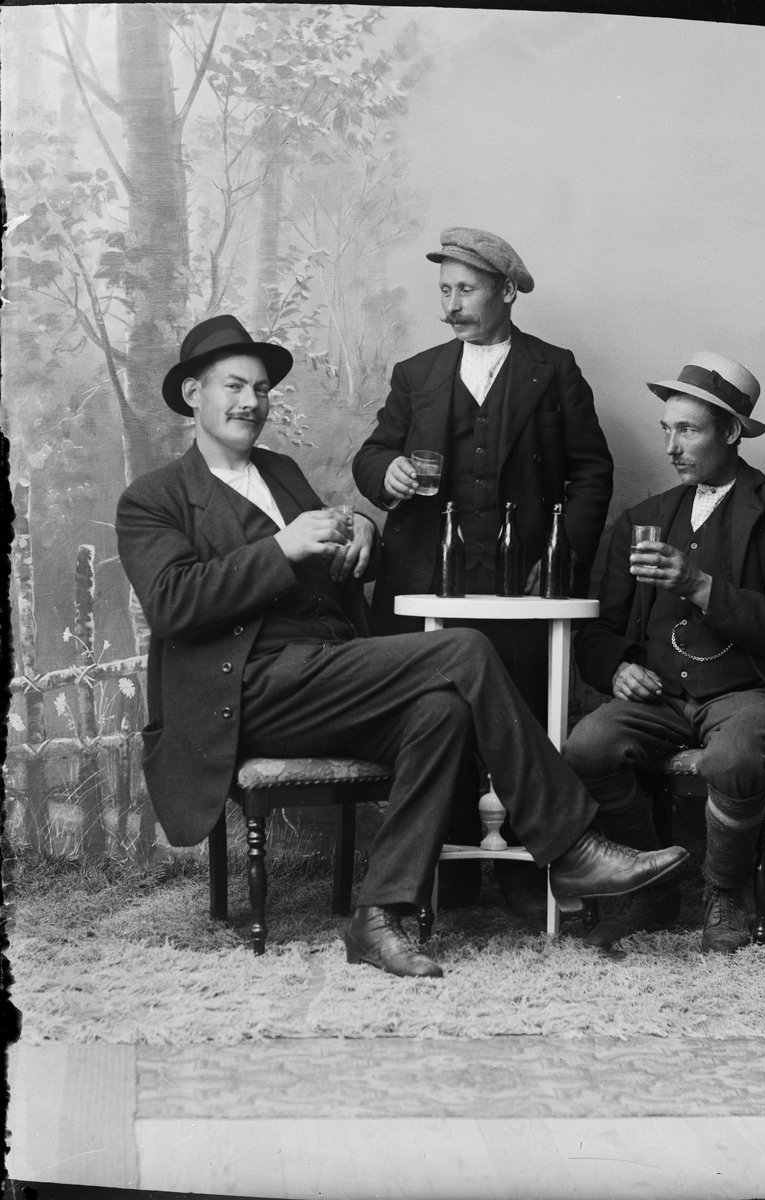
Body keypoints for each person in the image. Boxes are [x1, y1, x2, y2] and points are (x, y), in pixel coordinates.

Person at [115, 315, 687, 980]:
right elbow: (174, 604)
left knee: (440, 713)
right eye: (234, 387)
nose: (252, 402)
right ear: (193, 394)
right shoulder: (153, 498)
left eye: (262, 389)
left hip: (320, 674)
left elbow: (330, 557)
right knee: (463, 649)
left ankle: (377, 917)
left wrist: (362, 534)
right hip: (244, 692)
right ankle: (570, 846)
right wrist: (282, 546)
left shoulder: (280, 471)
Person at [352, 227, 613, 920]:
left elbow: (591, 473)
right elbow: (371, 455)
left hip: (521, 586)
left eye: (466, 290)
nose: (451, 304)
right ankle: (449, 873)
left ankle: (528, 875)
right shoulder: (416, 373)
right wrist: (388, 470)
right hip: (426, 580)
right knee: (439, 718)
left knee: (522, 715)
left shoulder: (554, 369)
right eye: (444, 290)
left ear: (506, 292)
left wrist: (559, 559)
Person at [563, 351, 765, 953]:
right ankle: (651, 887)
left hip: (748, 694)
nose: (671, 447)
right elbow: (599, 631)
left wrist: (700, 586)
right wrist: (619, 667)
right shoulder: (643, 518)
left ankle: (724, 894)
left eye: (687, 430)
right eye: (667, 430)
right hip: (661, 697)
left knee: (735, 758)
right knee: (586, 745)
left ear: (732, 432)